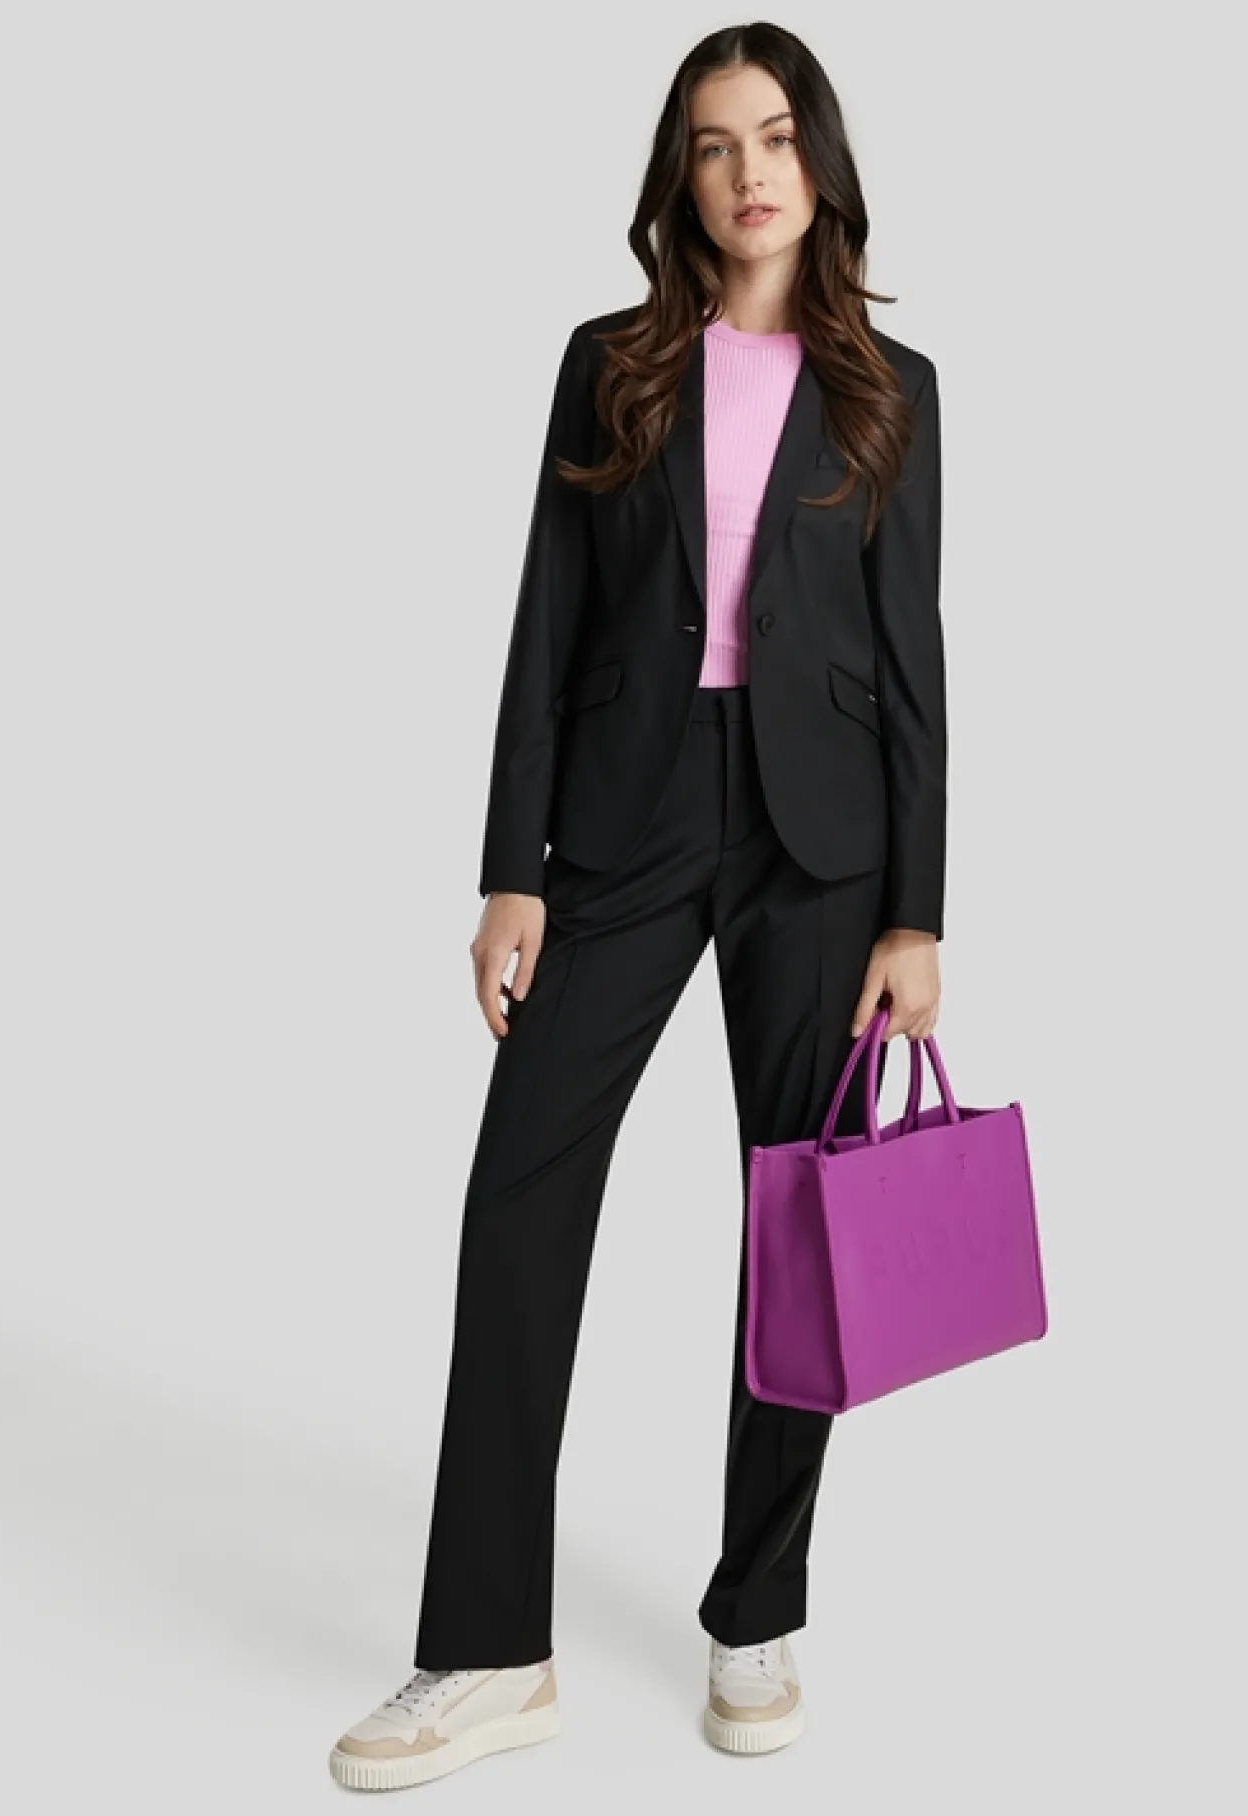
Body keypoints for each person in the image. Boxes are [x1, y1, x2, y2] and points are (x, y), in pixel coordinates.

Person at [329, 20, 946, 1791]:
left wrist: (918, 913)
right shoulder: (612, 362)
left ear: (820, 159)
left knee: (801, 1225)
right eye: (713, 143)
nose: (749, 170)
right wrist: (509, 866)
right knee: (521, 1196)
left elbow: (915, 654)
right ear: (680, 176)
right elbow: (546, 612)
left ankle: (758, 1610)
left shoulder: (894, 388)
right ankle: (485, 1650)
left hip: (825, 840)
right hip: (627, 808)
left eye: (776, 134)